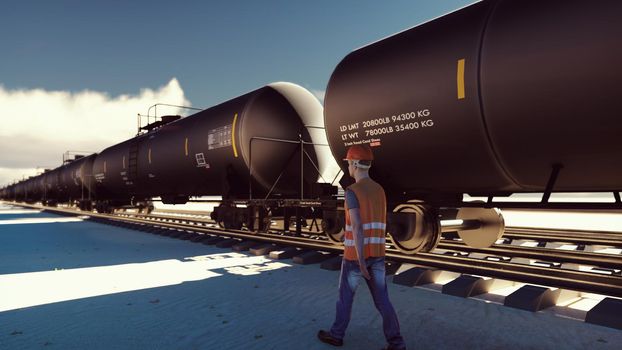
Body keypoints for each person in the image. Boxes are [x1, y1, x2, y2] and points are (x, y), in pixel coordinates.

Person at [318, 144, 406, 350]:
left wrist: (360, 260)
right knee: (383, 301)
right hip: (378, 255)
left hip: (355, 257)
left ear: (355, 165)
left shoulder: (352, 191)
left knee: (345, 299)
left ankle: (336, 335)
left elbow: (357, 226)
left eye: (349, 163)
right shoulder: (379, 190)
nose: (348, 166)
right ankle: (397, 343)